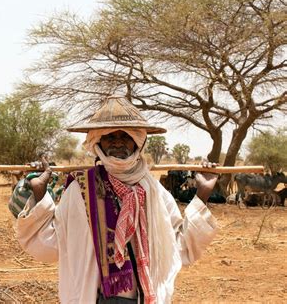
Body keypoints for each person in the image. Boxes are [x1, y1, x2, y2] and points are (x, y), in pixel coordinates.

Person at [13, 96, 218, 304]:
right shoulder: (80, 190)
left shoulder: (153, 190)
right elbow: (51, 246)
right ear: (98, 142)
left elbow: (178, 247)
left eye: (125, 136)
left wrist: (202, 194)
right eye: (110, 136)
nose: (118, 142)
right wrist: (39, 195)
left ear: (138, 141)